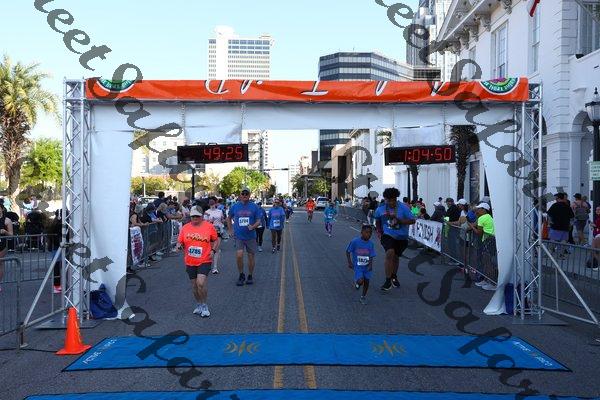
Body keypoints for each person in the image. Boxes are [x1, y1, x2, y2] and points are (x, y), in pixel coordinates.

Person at [176, 206, 218, 317]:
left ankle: (204, 305)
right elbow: (179, 242)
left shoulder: (209, 226)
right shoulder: (185, 228)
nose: (195, 218)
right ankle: (199, 304)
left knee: (201, 283)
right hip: (190, 261)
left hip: (205, 259)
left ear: (202, 216)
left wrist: (213, 250)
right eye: (193, 216)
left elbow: (216, 240)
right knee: (194, 286)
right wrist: (179, 246)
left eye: (197, 216)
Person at [374, 187, 415, 291]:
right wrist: (379, 232)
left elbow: (412, 220)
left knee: (396, 257)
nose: (391, 202)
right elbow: (377, 220)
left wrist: (399, 221)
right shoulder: (381, 208)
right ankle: (388, 281)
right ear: (385, 199)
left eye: (394, 200)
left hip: (402, 237)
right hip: (387, 235)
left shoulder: (404, 208)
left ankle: (394, 276)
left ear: (396, 198)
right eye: (389, 200)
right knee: (390, 253)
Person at [228, 187, 262, 286]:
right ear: (240, 195)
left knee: (251, 257)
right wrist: (230, 230)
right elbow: (228, 218)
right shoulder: (235, 206)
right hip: (239, 236)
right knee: (239, 255)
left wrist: (253, 226)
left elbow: (258, 220)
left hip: (251, 236)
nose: (244, 195)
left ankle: (250, 275)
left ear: (249, 195)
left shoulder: (254, 207)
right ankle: (241, 274)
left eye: (246, 194)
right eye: (243, 194)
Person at [468, 203, 497, 290]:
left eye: (479, 208)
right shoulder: (489, 216)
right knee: (489, 261)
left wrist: (471, 226)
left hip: (488, 241)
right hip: (492, 240)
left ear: (484, 210)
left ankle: (492, 283)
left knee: (488, 262)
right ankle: (488, 280)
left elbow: (478, 233)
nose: (477, 210)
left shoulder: (482, 218)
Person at [346, 224, 376, 305]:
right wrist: (349, 262)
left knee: (367, 281)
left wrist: (370, 265)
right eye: (366, 232)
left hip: (367, 267)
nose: (368, 234)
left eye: (370, 233)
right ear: (361, 232)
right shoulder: (355, 241)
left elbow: (371, 255)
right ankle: (357, 283)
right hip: (358, 266)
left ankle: (363, 296)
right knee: (361, 280)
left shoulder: (371, 244)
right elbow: (348, 251)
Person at [546, 193, 574, 257]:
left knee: (553, 239)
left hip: (555, 226)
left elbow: (549, 214)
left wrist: (549, 222)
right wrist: (570, 225)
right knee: (563, 240)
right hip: (565, 226)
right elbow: (572, 217)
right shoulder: (567, 206)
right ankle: (561, 254)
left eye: (556, 198)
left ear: (558, 198)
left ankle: (550, 253)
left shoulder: (554, 205)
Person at [204, 197, 226, 274]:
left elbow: (222, 220)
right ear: (208, 204)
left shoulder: (219, 211)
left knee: (216, 249)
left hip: (218, 231)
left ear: (215, 204)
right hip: (209, 232)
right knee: (210, 249)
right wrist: (210, 221)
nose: (212, 205)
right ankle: (208, 264)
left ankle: (215, 267)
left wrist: (223, 221)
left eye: (213, 203)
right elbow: (204, 223)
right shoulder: (206, 212)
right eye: (211, 204)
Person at [0, 207, 14, 290]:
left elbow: (11, 236)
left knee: (0, 264)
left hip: (1, 245)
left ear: (2, 209)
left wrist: (5, 232)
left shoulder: (7, 220)